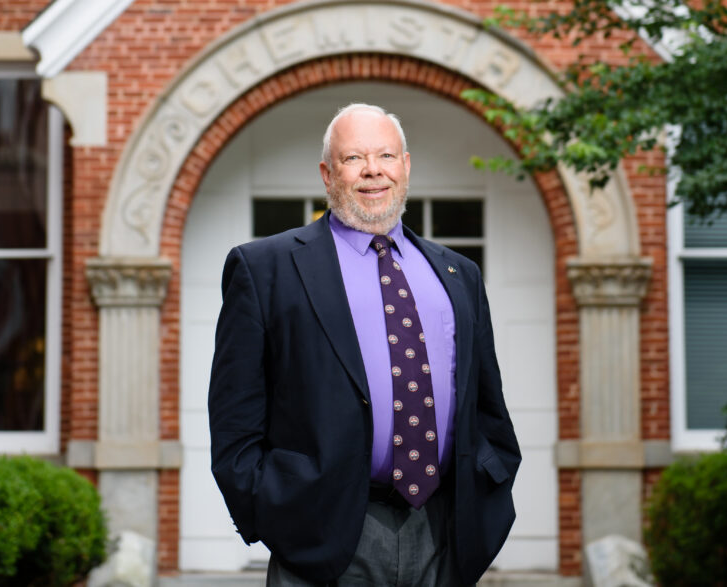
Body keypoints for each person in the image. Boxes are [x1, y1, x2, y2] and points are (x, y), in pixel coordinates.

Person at [208, 103, 521, 586]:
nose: (373, 170)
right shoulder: (265, 269)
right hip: (321, 533)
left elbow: (487, 405)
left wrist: (490, 485)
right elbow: (235, 416)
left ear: (406, 166)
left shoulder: (458, 274)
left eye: (386, 156)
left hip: (442, 533)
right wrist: (275, 512)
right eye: (354, 158)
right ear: (327, 173)